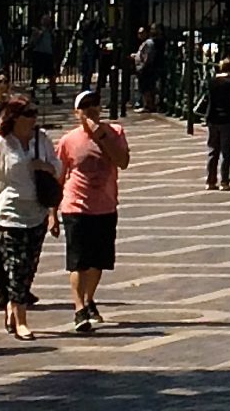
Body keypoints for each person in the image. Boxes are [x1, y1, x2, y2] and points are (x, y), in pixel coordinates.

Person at [0, 97, 60, 342]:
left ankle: (11, 308)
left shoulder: (42, 139)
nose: (33, 118)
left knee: (29, 268)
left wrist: (46, 167)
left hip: (36, 211)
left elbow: (59, 168)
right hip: (8, 214)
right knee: (15, 268)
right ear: (15, 117)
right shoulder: (2, 144)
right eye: (27, 113)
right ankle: (22, 321)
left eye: (35, 113)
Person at [57, 86, 131, 333]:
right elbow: (59, 176)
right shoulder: (68, 140)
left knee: (98, 262)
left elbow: (122, 161)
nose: (92, 109)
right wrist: (51, 214)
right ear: (77, 112)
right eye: (86, 106)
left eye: (95, 104)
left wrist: (102, 136)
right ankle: (79, 308)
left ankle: (89, 299)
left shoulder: (115, 132)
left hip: (105, 206)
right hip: (75, 206)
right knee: (78, 262)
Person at [203, 55, 230, 189]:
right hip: (227, 118)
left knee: (213, 149)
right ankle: (224, 181)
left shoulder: (212, 81)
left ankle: (210, 181)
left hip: (212, 116)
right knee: (226, 151)